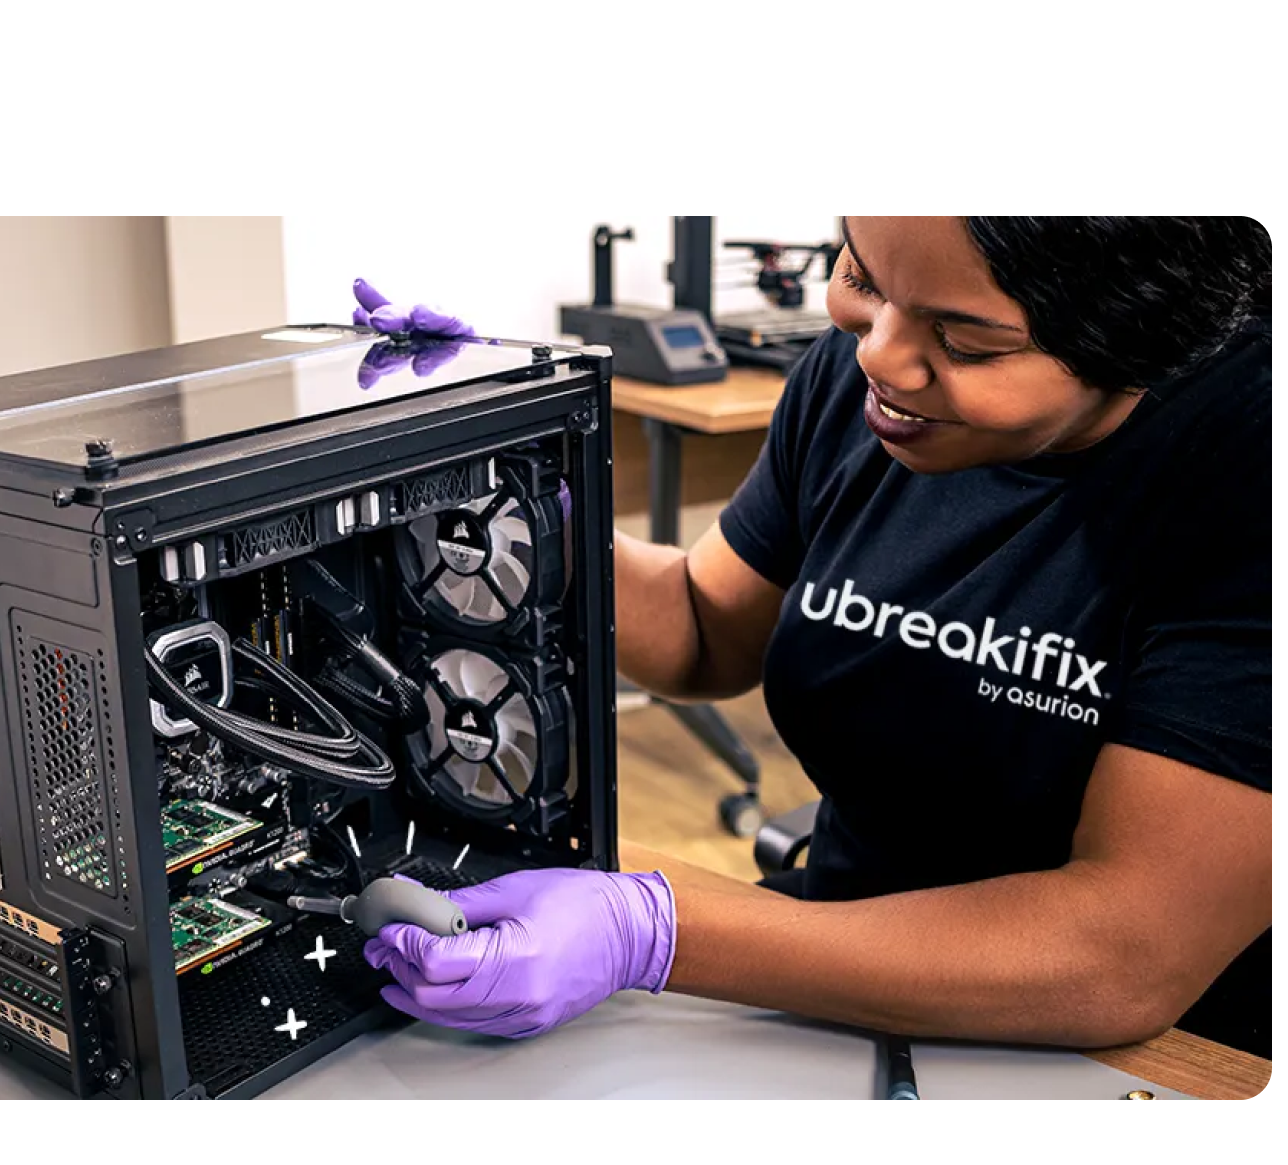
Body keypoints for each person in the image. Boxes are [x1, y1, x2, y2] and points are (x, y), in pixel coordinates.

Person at [349, 217, 1273, 1061]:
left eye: (965, 341)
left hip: (1149, 1044)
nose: (883, 357)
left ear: (1146, 344)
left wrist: (654, 933)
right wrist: (508, 488)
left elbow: (1124, 954)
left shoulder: (1240, 458)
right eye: (861, 279)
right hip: (834, 954)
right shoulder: (865, 381)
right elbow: (704, 633)